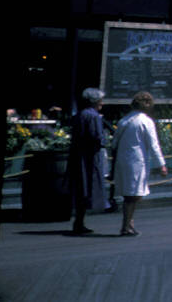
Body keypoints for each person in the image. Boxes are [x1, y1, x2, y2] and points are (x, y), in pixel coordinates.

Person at [112, 91, 166, 236]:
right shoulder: (146, 121)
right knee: (133, 194)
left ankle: (129, 223)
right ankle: (126, 225)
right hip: (137, 161)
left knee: (129, 194)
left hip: (122, 160)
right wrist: (161, 163)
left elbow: (114, 142)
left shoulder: (124, 120)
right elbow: (154, 144)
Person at [67, 87, 109, 235]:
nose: (102, 103)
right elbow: (96, 137)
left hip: (78, 156)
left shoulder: (79, 115)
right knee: (88, 187)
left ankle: (79, 221)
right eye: (100, 101)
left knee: (80, 188)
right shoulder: (94, 116)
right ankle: (80, 222)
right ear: (94, 101)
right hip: (90, 158)